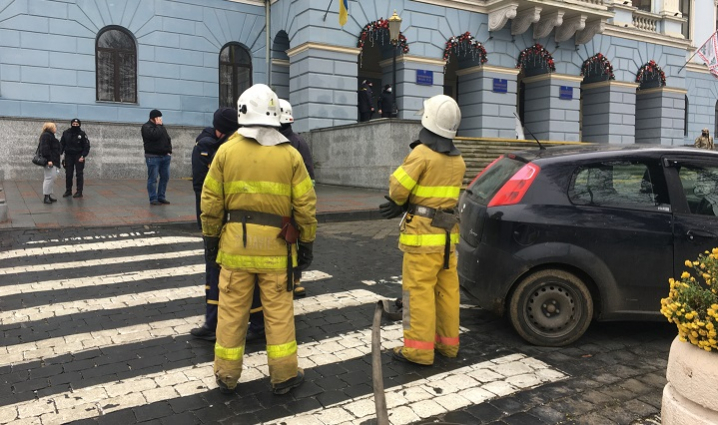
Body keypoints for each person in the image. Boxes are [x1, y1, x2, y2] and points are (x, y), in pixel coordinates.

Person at [201, 84, 317, 395]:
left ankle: (226, 374)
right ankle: (284, 375)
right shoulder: (290, 155)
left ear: (242, 112)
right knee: (278, 313)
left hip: (235, 248)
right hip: (278, 250)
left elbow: (210, 200)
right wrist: (306, 243)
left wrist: (211, 239)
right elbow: (306, 205)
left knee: (231, 313)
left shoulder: (226, 151)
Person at [379, 94, 465, 366]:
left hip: (421, 238)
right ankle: (448, 346)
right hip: (447, 237)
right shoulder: (458, 160)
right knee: (447, 293)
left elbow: (398, 188)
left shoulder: (421, 154)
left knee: (417, 294)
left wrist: (399, 202)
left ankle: (418, 351)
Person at [278, 99, 316, 299]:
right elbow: (309, 175)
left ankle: (290, 279)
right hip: (296, 203)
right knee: (295, 240)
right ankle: (295, 280)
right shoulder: (299, 141)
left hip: (280, 204)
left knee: (286, 241)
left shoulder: (275, 142)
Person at [141, 109, 172, 205]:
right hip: (153, 157)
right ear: (153, 118)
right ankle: (153, 198)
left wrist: (169, 151)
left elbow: (167, 138)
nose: (160, 120)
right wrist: (159, 126)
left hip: (165, 156)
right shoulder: (146, 127)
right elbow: (155, 136)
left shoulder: (161, 127)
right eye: (158, 118)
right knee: (153, 179)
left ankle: (161, 196)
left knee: (165, 177)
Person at [60, 118, 91, 198]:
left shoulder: (82, 134)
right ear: (71, 124)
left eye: (77, 125)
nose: (75, 126)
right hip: (69, 156)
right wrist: (60, 153)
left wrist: (83, 156)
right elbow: (62, 144)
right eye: (73, 124)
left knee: (79, 174)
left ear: (79, 125)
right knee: (68, 174)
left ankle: (79, 191)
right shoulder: (66, 133)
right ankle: (68, 190)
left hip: (79, 156)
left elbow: (86, 146)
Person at [39, 122, 62, 205]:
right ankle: (46, 196)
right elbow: (45, 149)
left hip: (53, 160)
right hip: (50, 161)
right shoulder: (46, 136)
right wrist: (49, 160)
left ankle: (48, 195)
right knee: (49, 178)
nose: (56, 129)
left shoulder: (49, 135)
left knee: (51, 178)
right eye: (54, 127)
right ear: (50, 128)